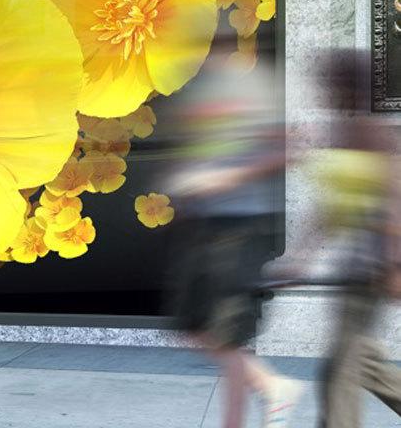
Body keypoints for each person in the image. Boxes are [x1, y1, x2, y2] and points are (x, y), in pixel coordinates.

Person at [166, 30, 301, 428]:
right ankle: (271, 386)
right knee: (193, 327)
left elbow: (286, 149)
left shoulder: (254, 86)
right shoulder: (198, 91)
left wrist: (228, 179)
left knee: (228, 333)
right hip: (202, 227)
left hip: (240, 227)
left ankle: (266, 394)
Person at [314, 48, 401, 428]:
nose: (323, 91)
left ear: (349, 87)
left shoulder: (370, 132)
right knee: (355, 363)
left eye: (331, 83)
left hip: (372, 270)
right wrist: (301, 256)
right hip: (350, 269)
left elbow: (394, 201)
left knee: (340, 376)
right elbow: (330, 211)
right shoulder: (339, 131)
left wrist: (394, 265)